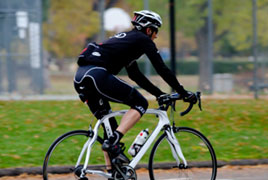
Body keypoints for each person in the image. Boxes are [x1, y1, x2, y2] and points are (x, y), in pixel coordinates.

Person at [74, 10, 197, 166]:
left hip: (80, 78)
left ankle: (113, 172)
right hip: (97, 75)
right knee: (141, 103)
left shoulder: (127, 43)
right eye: (156, 31)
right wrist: (183, 92)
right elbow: (162, 68)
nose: (156, 36)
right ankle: (114, 141)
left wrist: (159, 94)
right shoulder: (142, 40)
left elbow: (136, 75)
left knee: (109, 129)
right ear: (148, 29)